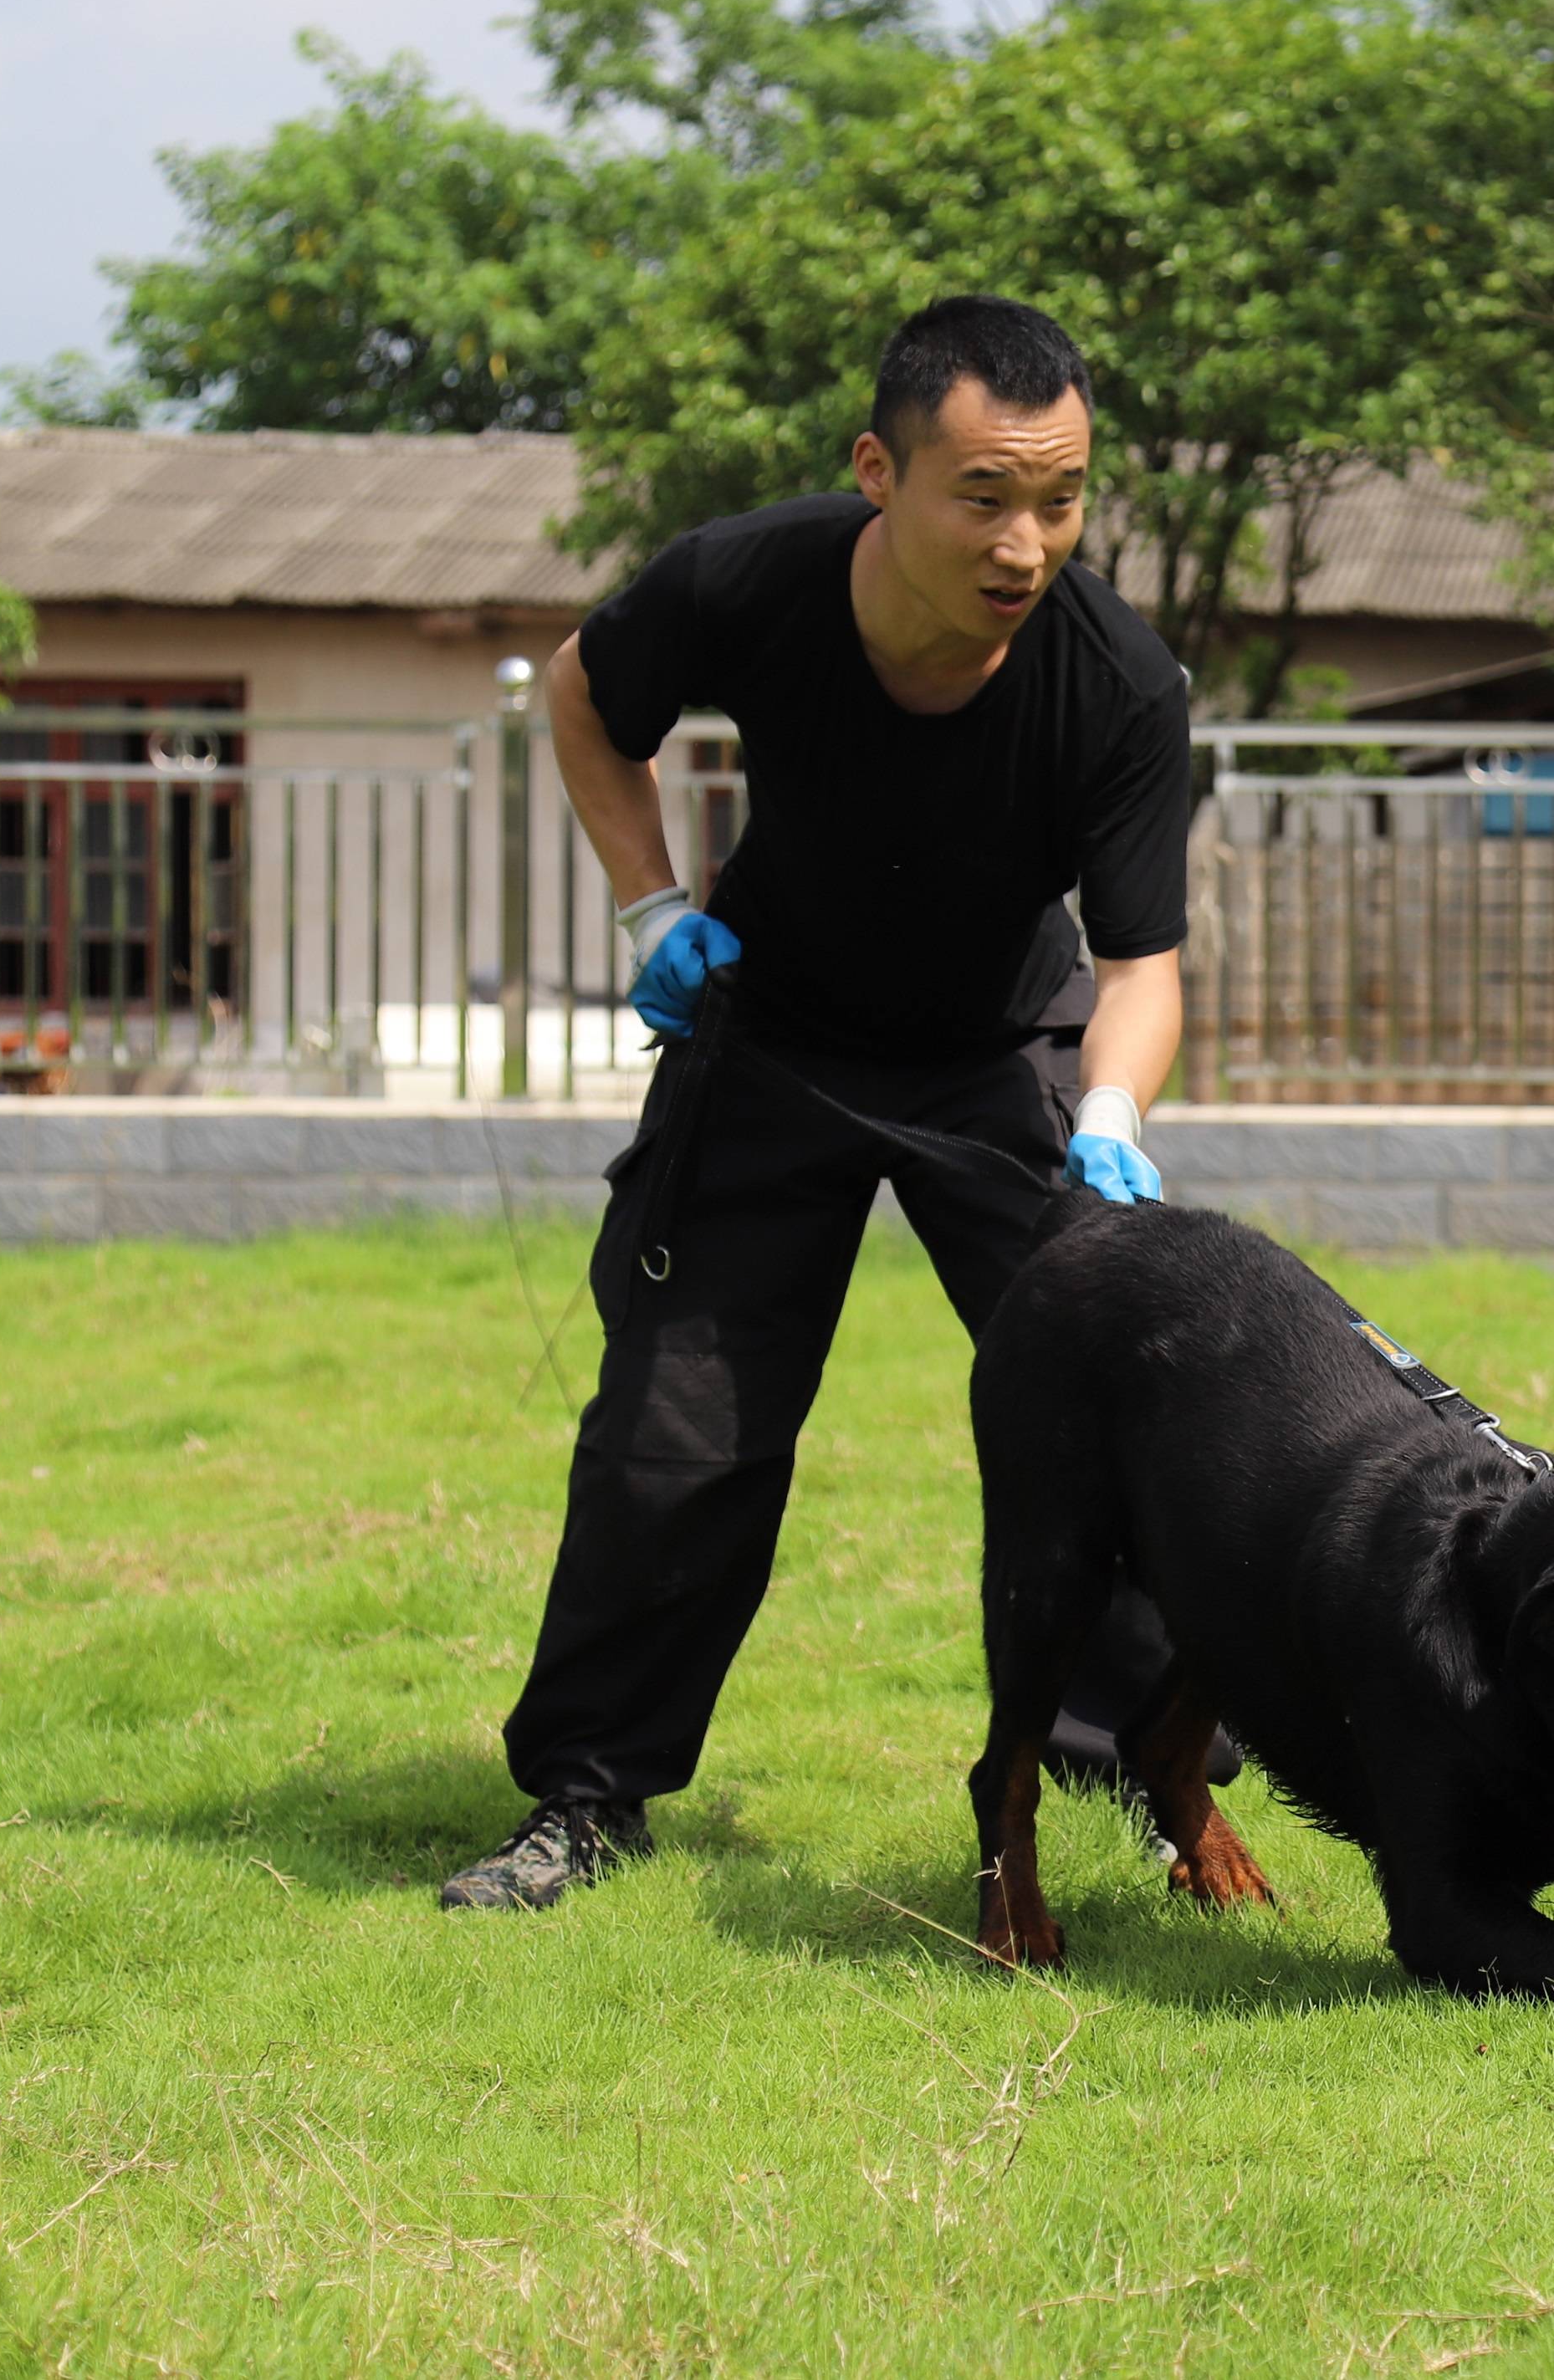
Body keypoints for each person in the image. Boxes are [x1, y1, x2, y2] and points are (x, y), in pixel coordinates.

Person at [444, 295, 1195, 1912]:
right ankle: (588, 1796)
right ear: (879, 468)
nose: (1026, 539)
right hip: (770, 1033)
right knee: (678, 1432)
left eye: (1060, 498)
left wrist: (1116, 1110)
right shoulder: (754, 579)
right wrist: (651, 908)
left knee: (1128, 1402)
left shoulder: (1118, 683)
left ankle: (1140, 1755)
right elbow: (583, 696)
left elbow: (1143, 961)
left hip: (1006, 1052)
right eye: (984, 493)